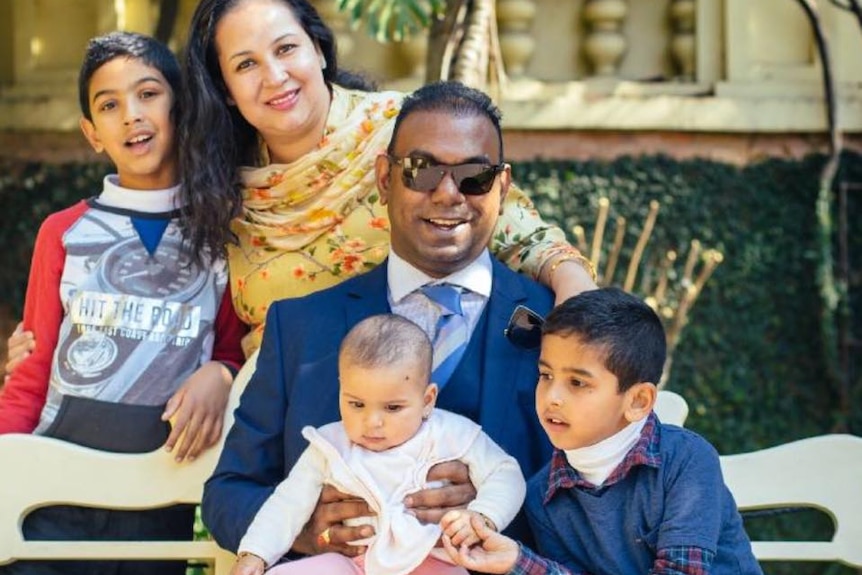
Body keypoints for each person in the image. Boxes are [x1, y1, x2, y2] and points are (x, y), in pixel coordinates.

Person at [202, 81, 556, 561]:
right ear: (386, 179)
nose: (449, 193)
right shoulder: (300, 327)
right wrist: (306, 529)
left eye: (475, 175)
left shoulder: (557, 325)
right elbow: (228, 494)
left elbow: (605, 493)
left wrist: (495, 506)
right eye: (422, 170)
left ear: (503, 185)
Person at [177, 0, 597, 357]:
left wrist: (575, 291)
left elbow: (519, 236)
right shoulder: (223, 192)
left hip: (435, 397)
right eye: (246, 64)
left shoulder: (402, 133)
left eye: (286, 48)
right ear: (227, 89)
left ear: (319, 50)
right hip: (291, 414)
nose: (274, 76)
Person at [0, 32, 246, 575]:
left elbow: (234, 346)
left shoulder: (224, 233)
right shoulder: (63, 232)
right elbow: (34, 368)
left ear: (179, 106)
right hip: (51, 495)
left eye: (148, 94)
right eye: (109, 105)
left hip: (158, 498)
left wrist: (222, 374)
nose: (131, 115)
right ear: (92, 133)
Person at [440, 288, 763, 575]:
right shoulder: (544, 496)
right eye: (546, 375)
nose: (551, 397)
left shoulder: (686, 461)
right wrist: (516, 561)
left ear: (638, 401)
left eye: (577, 382)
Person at [231, 314, 526, 575]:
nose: (372, 422)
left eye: (393, 408)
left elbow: (505, 472)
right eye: (356, 403)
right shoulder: (331, 445)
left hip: (432, 559)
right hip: (351, 562)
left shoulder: (451, 433)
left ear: (427, 400)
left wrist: (483, 515)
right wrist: (255, 552)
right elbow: (287, 503)